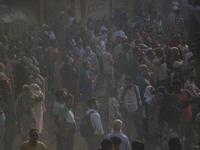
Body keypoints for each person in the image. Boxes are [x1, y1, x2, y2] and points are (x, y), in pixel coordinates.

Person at [119, 76, 143, 141]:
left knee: (138, 125)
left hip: (135, 109)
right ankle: (128, 140)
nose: (127, 85)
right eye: (125, 83)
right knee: (127, 126)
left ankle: (140, 138)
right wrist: (122, 105)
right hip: (127, 110)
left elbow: (139, 97)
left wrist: (140, 107)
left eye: (128, 83)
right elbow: (120, 98)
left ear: (131, 83)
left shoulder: (136, 88)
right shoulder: (122, 89)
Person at [0, 80, 16, 150]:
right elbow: (3, 106)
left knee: (13, 134)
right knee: (7, 136)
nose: (9, 84)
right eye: (7, 83)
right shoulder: (2, 95)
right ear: (4, 86)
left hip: (13, 116)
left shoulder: (10, 92)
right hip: (7, 118)